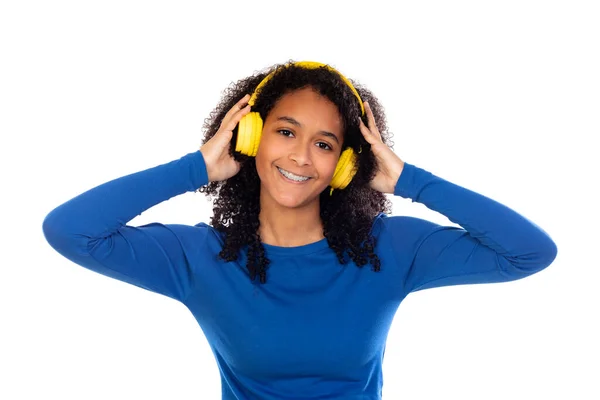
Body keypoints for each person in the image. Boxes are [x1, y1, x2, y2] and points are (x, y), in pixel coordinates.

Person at [42, 60, 558, 399]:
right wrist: (194, 168)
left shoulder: (389, 250)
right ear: (250, 139)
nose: (300, 156)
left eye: (325, 143)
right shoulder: (198, 257)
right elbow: (70, 230)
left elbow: (529, 252)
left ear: (345, 164)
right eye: (285, 132)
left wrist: (410, 181)